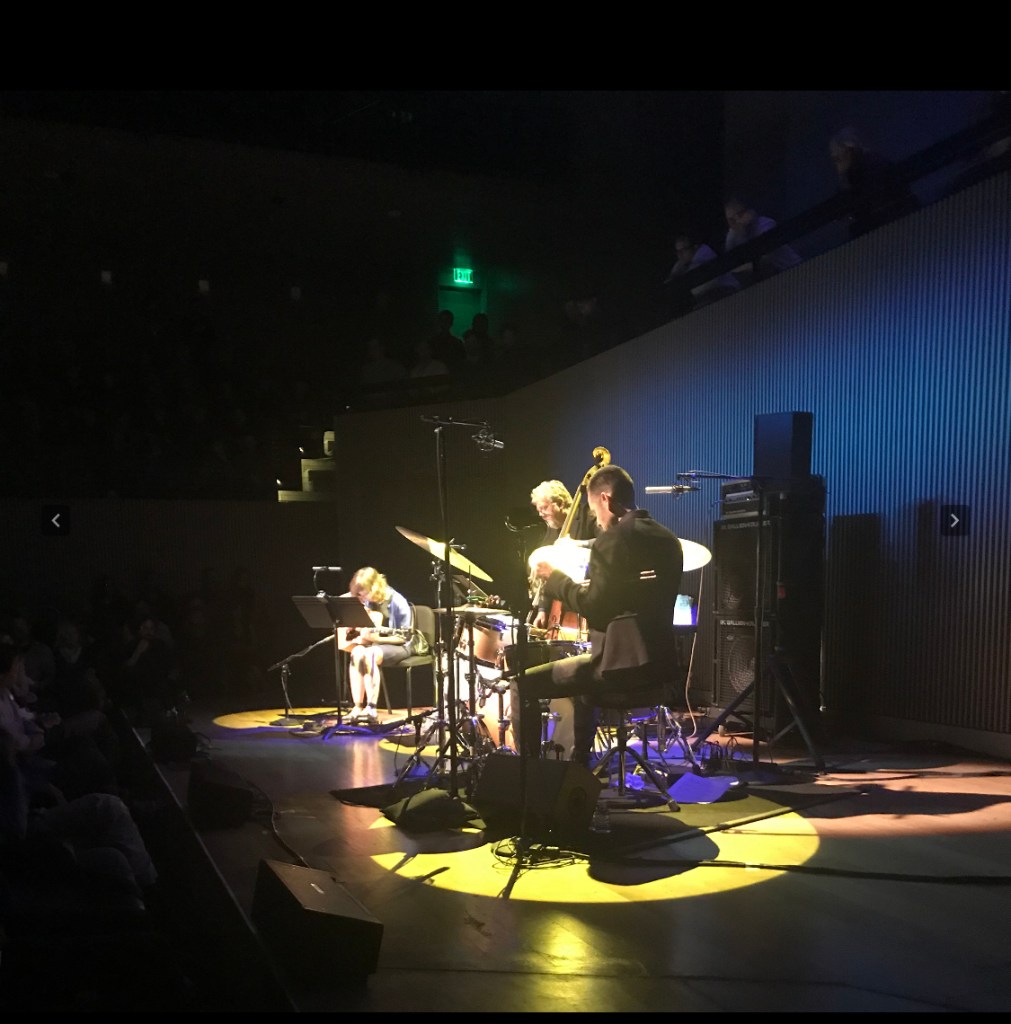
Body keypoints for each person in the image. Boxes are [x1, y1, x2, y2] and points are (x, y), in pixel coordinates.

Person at [509, 465, 683, 765]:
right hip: (660, 669)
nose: (597, 521)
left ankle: (532, 773)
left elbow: (595, 608)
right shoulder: (669, 540)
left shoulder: (613, 540)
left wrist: (556, 580)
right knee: (581, 680)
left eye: (594, 511)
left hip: (616, 670)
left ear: (605, 499)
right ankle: (580, 760)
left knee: (522, 683)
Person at [338, 567, 416, 723]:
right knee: (357, 652)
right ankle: (357, 707)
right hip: (375, 645)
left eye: (362, 594)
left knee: (369, 654)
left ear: (374, 587)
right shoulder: (367, 601)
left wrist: (376, 639)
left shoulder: (397, 602)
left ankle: (371, 708)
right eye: (358, 594)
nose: (360, 598)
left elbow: (404, 637)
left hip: (400, 646)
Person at [527, 479, 596, 634]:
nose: (541, 514)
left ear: (560, 503)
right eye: (539, 510)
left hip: (585, 598)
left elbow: (606, 541)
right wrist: (543, 609)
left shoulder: (588, 515)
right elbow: (547, 571)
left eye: (544, 508)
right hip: (560, 601)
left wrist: (578, 544)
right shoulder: (552, 529)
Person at [828, 126, 920, 240]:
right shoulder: (856, 176)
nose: (836, 166)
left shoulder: (870, 169)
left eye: (837, 158)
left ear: (849, 150)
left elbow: (878, 208)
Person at [723, 196, 801, 286]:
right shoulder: (733, 234)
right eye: (732, 220)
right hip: (773, 281)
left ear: (749, 211)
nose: (737, 221)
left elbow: (763, 261)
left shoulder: (766, 224)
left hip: (794, 270)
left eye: (740, 214)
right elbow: (729, 265)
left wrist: (743, 232)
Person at [663, 229, 741, 309]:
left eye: (683, 250)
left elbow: (698, 289)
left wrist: (677, 272)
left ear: (695, 247)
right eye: (678, 252)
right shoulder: (685, 263)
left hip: (729, 294)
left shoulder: (704, 258)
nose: (680, 255)